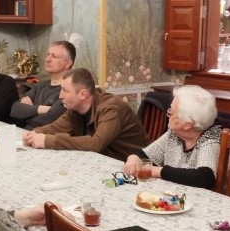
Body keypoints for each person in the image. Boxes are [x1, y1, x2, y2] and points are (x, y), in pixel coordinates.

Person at [22, 68, 151, 161]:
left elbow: (96, 143)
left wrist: (48, 140)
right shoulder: (75, 109)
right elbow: (55, 127)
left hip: (135, 168)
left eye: (65, 90)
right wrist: (35, 133)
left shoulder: (110, 109)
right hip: (103, 162)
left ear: (83, 94)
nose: (60, 96)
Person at [124, 85, 221, 188]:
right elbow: (146, 155)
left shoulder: (210, 139)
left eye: (171, 112)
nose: (168, 114)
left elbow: (205, 177)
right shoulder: (174, 134)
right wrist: (133, 158)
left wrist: (158, 171)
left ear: (188, 124)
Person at [11, 40, 75, 128]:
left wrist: (29, 112)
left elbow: (50, 120)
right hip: (26, 133)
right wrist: (41, 109)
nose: (47, 59)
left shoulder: (69, 90)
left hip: (48, 136)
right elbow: (15, 110)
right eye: (48, 54)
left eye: (54, 56)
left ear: (68, 63)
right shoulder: (40, 85)